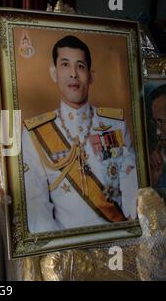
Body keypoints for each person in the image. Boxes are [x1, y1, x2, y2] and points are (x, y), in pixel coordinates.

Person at [23, 35, 138, 233]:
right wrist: (60, 251)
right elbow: (35, 205)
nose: (73, 74)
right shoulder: (36, 133)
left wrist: (130, 232)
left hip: (117, 239)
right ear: (54, 73)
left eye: (80, 66)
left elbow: (131, 183)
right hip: (67, 249)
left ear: (91, 75)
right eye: (65, 65)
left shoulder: (115, 125)